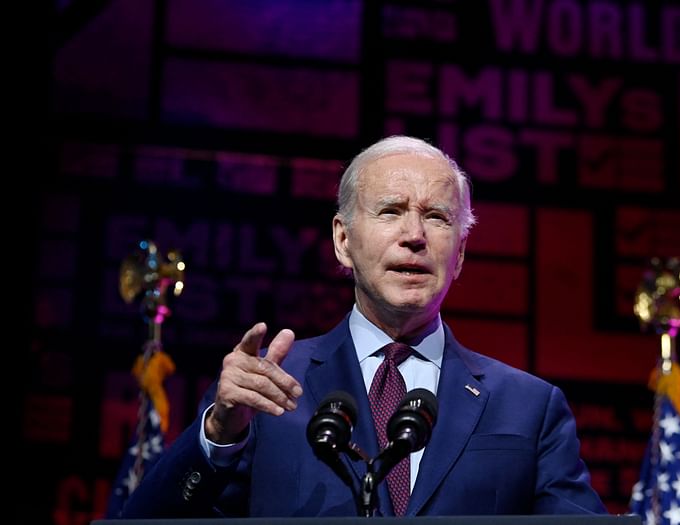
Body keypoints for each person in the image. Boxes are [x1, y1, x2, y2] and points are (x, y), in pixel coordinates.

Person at [119, 135, 606, 518]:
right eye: (391, 211)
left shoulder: (528, 407)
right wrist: (218, 436)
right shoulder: (265, 387)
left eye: (436, 218)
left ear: (459, 254)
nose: (413, 236)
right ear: (343, 241)